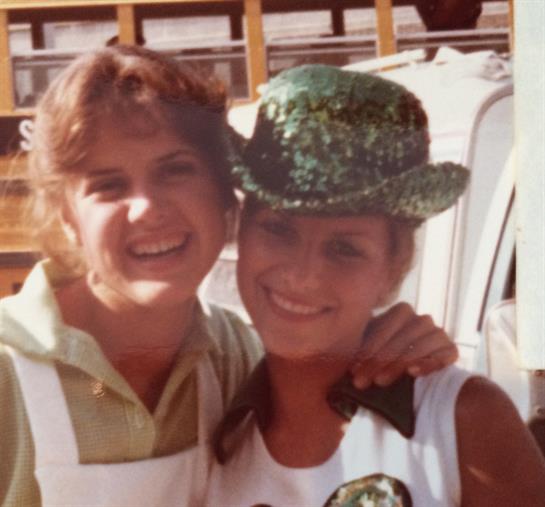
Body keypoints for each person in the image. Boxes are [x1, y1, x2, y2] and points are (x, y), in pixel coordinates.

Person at [0, 46, 456, 507]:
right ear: (67, 217)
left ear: (224, 195)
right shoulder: (7, 368)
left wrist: (401, 346)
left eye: (175, 170)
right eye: (108, 185)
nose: (148, 207)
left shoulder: (236, 356)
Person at [207, 65, 545, 506]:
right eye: (279, 230)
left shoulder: (460, 420)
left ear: (394, 267)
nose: (304, 273)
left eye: (344, 248)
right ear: (241, 233)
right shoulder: (214, 434)